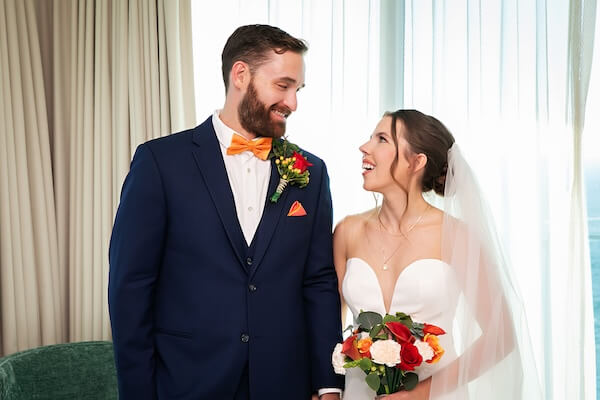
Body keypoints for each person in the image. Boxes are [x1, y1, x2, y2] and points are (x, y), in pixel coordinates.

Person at [108, 24, 343, 399]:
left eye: (297, 90)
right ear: (240, 75)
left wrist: (328, 382)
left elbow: (317, 282)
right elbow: (130, 288)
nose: (293, 103)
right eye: (283, 86)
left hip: (284, 383)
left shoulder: (311, 173)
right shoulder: (160, 162)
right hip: (187, 381)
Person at [333, 110, 541, 399]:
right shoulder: (347, 231)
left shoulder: (457, 235)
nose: (365, 148)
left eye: (381, 139)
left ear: (416, 162)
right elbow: (329, 326)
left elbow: (501, 335)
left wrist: (417, 394)